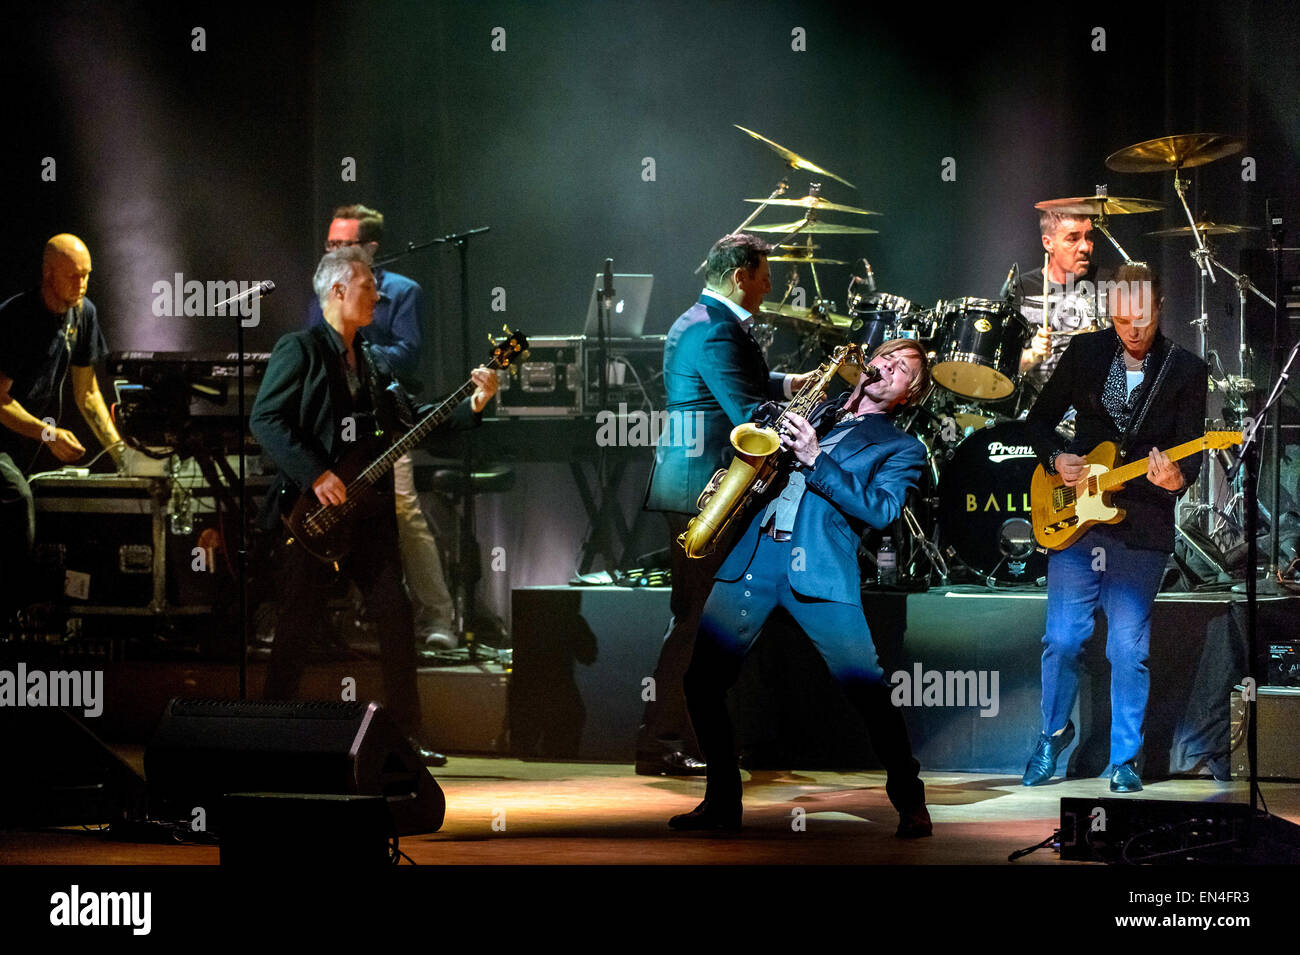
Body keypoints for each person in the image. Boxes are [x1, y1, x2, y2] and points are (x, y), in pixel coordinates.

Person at [669, 338, 933, 837]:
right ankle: (722, 801)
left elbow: (882, 510)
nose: (889, 368)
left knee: (867, 690)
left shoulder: (902, 447)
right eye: (886, 358)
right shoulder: (818, 411)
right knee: (702, 682)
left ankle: (910, 801)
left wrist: (815, 457)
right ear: (867, 364)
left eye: (903, 370)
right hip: (754, 555)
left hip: (818, 568)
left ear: (906, 397)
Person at [251, 245, 498, 765]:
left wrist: (471, 406)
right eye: (368, 286)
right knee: (296, 625)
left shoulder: (375, 357)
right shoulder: (299, 349)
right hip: (311, 517)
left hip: (368, 517)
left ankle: (408, 735)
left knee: (395, 614)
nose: (378, 295)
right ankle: (268, 731)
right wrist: (315, 474)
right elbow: (266, 420)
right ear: (338, 290)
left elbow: (410, 424)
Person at [1020, 262, 1207, 792]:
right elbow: (1037, 420)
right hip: (1078, 516)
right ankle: (1052, 734)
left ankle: (1125, 758)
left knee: (1128, 646)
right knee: (1062, 637)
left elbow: (1190, 450)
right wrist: (1057, 456)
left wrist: (1175, 479)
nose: (1134, 331)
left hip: (1141, 525)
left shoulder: (1186, 369)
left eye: (1143, 320)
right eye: (1123, 320)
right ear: (1111, 313)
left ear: (1160, 309)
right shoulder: (1085, 353)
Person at [639, 232, 811, 776]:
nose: (770, 284)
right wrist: (809, 421)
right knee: (694, 620)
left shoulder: (702, 320)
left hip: (696, 486)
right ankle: (664, 741)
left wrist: (789, 383)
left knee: (699, 618)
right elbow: (744, 408)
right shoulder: (715, 328)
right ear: (741, 276)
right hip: (703, 491)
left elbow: (734, 385)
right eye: (765, 274)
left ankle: (687, 736)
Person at [308, 204, 458, 650]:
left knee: (402, 512)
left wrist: (360, 356)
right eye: (330, 243)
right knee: (336, 511)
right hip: (335, 423)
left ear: (370, 248)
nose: (332, 250)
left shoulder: (402, 292)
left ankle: (438, 617)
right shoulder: (323, 288)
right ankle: (345, 619)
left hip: (385, 420)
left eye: (343, 244)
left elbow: (409, 353)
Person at [0, 234, 125, 626]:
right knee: (17, 499)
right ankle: (13, 614)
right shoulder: (14, 318)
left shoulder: (83, 313)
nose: (81, 285)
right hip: (4, 437)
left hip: (30, 440)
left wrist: (122, 452)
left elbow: (87, 393)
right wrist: (48, 435)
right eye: (72, 277)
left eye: (86, 276)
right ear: (47, 275)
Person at [1014, 210, 1111, 405]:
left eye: (1089, 237)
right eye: (1072, 239)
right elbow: (1004, 369)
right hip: (1035, 409)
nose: (1085, 247)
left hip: (1094, 410)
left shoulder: (1109, 283)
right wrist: (1032, 355)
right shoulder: (1022, 288)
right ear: (1048, 243)